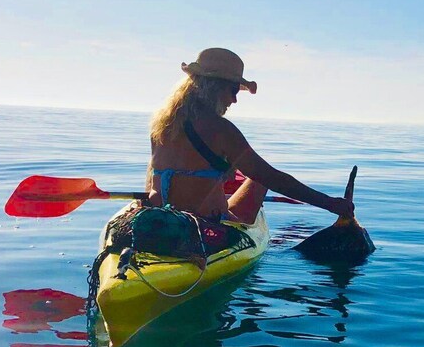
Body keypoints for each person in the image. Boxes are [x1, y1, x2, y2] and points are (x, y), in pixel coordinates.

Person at [146, 48, 354, 224]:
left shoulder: (162, 124)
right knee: (259, 180)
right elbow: (272, 178)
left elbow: (153, 176)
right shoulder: (221, 130)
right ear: (214, 88)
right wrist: (330, 204)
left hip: (158, 219)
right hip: (205, 226)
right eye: (234, 90)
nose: (235, 100)